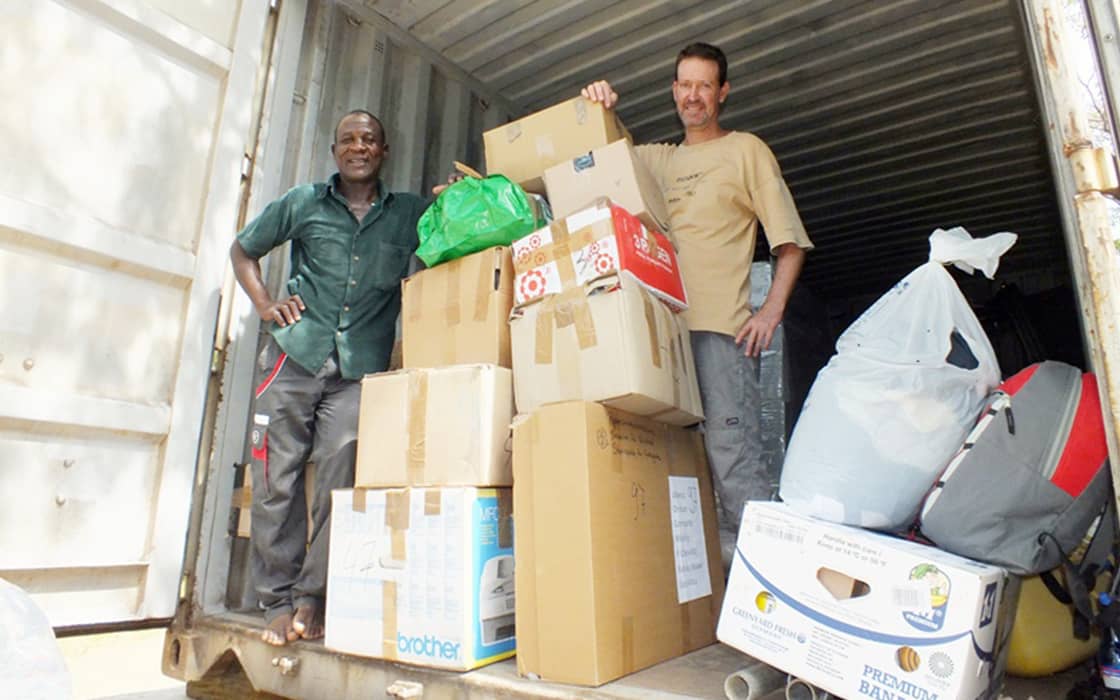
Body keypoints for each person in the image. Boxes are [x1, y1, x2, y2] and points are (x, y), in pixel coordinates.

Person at [583, 43, 814, 567]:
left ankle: (771, 588)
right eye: (684, 85)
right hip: (659, 330)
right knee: (668, 461)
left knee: (733, 460)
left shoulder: (746, 150)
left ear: (722, 92)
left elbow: (790, 244)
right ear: (674, 91)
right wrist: (603, 109)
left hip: (720, 332)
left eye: (704, 85)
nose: (693, 96)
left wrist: (769, 312)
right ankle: (699, 598)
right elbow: (602, 163)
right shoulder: (662, 158)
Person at [230, 109, 426, 645]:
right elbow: (243, 250)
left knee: (339, 482)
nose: (358, 147)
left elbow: (450, 235)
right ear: (335, 150)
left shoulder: (408, 213)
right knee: (275, 482)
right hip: (294, 358)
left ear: (384, 152)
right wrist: (266, 303)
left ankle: (311, 597)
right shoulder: (302, 203)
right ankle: (275, 599)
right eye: (348, 140)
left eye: (369, 139)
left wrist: (455, 195)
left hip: (356, 372)